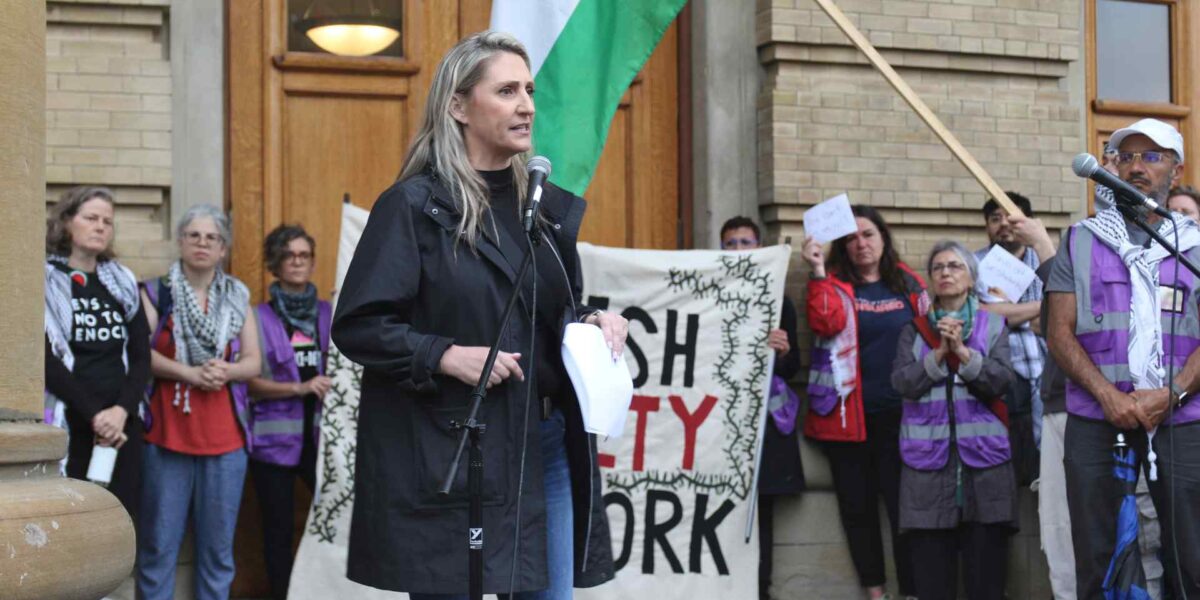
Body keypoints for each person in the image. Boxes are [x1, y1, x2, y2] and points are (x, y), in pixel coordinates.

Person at [330, 31, 623, 598]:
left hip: (544, 447)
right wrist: (444, 355)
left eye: (530, 90)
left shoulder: (544, 209)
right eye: (507, 90)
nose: (527, 105)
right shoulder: (413, 208)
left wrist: (589, 321)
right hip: (457, 448)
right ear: (459, 106)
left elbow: (546, 314)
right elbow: (360, 325)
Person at [1046, 117, 1200, 598]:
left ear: (1175, 170)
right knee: (1099, 553)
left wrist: (1173, 393)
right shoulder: (1081, 239)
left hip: (1184, 417)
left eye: (1151, 156)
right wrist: (1108, 395)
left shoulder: (1195, 245)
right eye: (1125, 156)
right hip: (1098, 417)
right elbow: (1059, 332)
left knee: (1191, 554)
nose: (1136, 166)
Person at [136, 204, 261, 600]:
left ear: (223, 249)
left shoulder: (238, 296)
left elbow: (254, 363)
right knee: (157, 547)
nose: (202, 243)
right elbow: (141, 355)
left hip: (226, 443)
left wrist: (225, 371)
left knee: (218, 552)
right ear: (181, 242)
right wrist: (190, 373)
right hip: (167, 436)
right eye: (194, 235)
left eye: (212, 237)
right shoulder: (156, 291)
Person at [802, 205, 927, 600]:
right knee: (858, 513)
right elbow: (826, 323)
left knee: (905, 513)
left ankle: (911, 591)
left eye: (868, 234)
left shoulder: (908, 283)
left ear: (883, 238)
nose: (861, 244)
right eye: (852, 238)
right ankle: (875, 593)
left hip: (904, 418)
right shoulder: (834, 284)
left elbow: (932, 332)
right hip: (848, 421)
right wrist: (819, 271)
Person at [891, 240, 1016, 600]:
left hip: (986, 469)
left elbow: (1002, 381)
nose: (946, 272)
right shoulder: (912, 331)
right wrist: (938, 356)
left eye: (955, 266)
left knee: (986, 581)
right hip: (927, 473)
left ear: (971, 277)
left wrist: (962, 353)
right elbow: (902, 383)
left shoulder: (993, 326)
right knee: (932, 581)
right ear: (930, 279)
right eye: (938, 268)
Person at [43, 186, 149, 520]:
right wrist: (95, 415)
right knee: (72, 520)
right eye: (91, 218)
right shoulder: (45, 278)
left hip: (121, 426)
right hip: (71, 420)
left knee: (122, 519)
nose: (100, 226)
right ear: (67, 223)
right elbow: (45, 359)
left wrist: (120, 412)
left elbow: (141, 355)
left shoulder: (122, 280)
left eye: (107, 221)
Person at [719, 216, 804, 600]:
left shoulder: (779, 301)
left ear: (759, 248)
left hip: (761, 430)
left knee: (760, 520)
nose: (739, 250)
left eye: (746, 242)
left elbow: (792, 367)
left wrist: (783, 352)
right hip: (718, 426)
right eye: (731, 244)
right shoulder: (710, 296)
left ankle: (760, 590)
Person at [246, 224, 333, 600]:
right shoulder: (257, 318)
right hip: (273, 443)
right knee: (277, 532)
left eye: (304, 255)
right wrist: (298, 388)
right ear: (275, 264)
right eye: (289, 256)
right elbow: (246, 383)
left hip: (324, 439)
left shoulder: (331, 312)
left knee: (334, 525)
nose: (297, 262)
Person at [973, 192, 1045, 485]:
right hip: (992, 376)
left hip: (1040, 375)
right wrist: (1040, 307)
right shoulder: (972, 265)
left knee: (1040, 470)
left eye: (1010, 216)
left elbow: (1057, 320)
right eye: (994, 218)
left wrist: (1006, 313)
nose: (1003, 224)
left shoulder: (1046, 261)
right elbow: (981, 317)